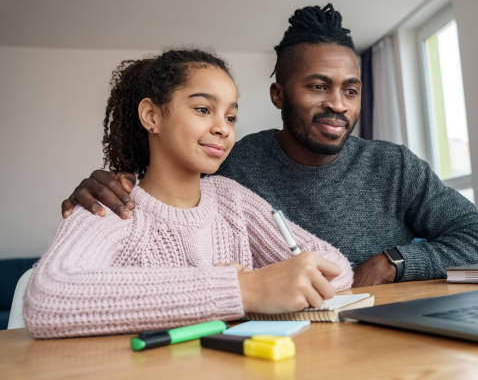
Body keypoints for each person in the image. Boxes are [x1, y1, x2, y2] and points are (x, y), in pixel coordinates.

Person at [61, 4, 478, 288]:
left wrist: (392, 263)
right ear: (278, 95)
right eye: (317, 86)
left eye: (351, 90)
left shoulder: (394, 166)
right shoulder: (234, 167)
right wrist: (110, 179)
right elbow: (168, 190)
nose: (337, 104)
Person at [24, 49, 353, 339]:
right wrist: (243, 289)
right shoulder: (111, 207)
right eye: (202, 109)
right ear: (151, 116)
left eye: (231, 116)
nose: (223, 128)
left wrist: (271, 283)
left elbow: (337, 267)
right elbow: (46, 298)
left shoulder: (232, 198)